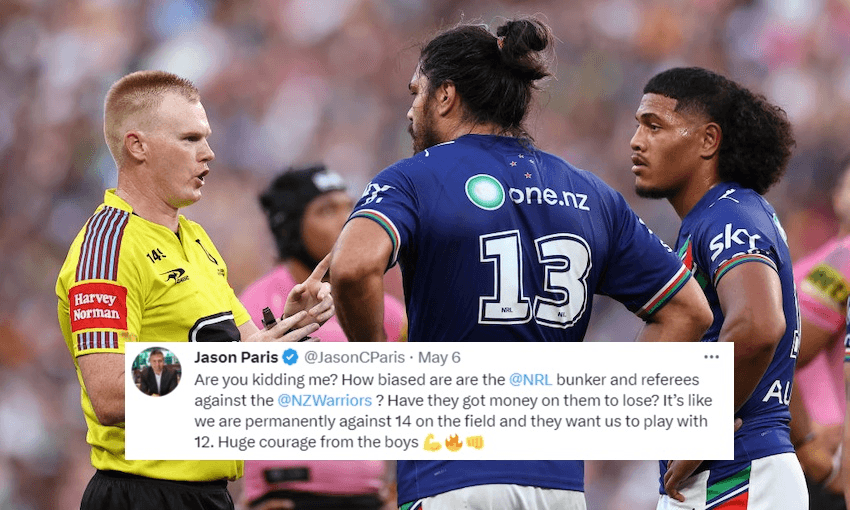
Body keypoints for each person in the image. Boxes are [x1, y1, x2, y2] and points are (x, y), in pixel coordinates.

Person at [330, 18, 713, 510]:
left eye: (416, 92)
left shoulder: (414, 177)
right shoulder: (592, 193)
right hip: (559, 486)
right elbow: (689, 311)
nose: (410, 111)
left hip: (450, 475)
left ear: (445, 96)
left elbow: (352, 267)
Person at [55, 70, 333, 510]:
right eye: (189, 139)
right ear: (137, 146)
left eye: (205, 137)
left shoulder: (197, 238)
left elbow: (246, 357)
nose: (209, 153)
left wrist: (288, 324)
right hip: (141, 493)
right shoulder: (107, 246)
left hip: (208, 493)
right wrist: (232, 365)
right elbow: (108, 393)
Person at [628, 66, 805, 509]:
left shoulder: (728, 215)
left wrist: (701, 432)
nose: (636, 140)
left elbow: (759, 326)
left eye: (654, 125)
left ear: (708, 140)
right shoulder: (714, 218)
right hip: (731, 472)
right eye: (637, 125)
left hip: (738, 475)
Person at [239, 164, 405, 510]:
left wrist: (398, 487)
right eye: (327, 210)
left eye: (350, 206)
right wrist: (258, 491)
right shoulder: (254, 302)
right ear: (290, 227)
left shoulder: (387, 312)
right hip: (286, 497)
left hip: (368, 499)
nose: (347, 219)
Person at [786, 157, 850, 509]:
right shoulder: (836, 264)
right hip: (826, 453)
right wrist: (809, 440)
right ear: (837, 195)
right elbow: (787, 349)